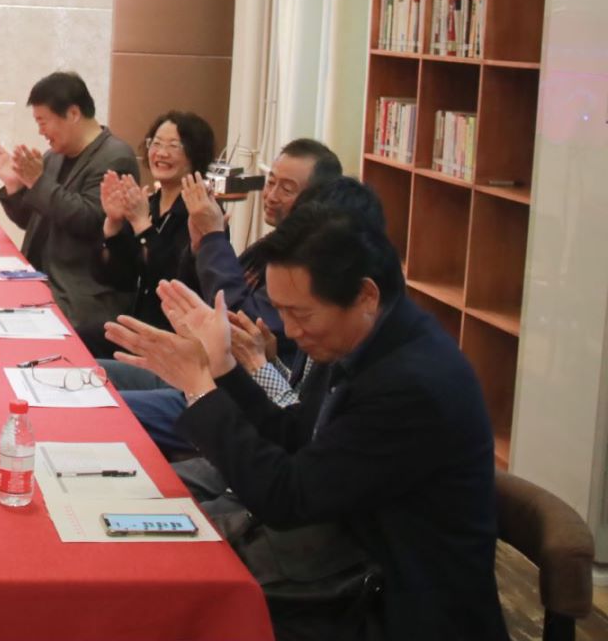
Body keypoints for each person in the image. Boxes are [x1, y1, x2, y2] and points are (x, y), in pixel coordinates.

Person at [105, 182, 507, 641]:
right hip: (337, 565)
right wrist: (222, 367)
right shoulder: (368, 336)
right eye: (281, 311)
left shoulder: (412, 383)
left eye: (302, 315)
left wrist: (200, 388)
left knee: (161, 604)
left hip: (393, 606)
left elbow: (287, 499)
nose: (291, 332)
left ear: (365, 295)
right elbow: (298, 435)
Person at [114, 138, 342, 451]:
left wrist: (213, 238)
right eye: (271, 182)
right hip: (204, 366)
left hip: (231, 394)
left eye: (287, 189)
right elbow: (193, 294)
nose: (272, 195)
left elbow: (237, 318)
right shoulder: (270, 244)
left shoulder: (305, 267)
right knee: (94, 380)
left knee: (110, 411)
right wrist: (199, 247)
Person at [0, 71, 139, 356]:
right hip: (40, 276)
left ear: (73, 113)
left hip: (79, 291)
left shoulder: (116, 157)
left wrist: (37, 183)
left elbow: (90, 221)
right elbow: (32, 220)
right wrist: (15, 186)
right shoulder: (54, 156)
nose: (40, 131)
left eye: (43, 121)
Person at [98, 110, 216, 332]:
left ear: (195, 154)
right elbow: (117, 279)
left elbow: (173, 281)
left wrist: (143, 226)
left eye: (173, 146)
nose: (161, 153)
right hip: (139, 322)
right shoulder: (150, 204)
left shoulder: (204, 213)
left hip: (179, 332)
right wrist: (113, 224)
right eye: (156, 143)